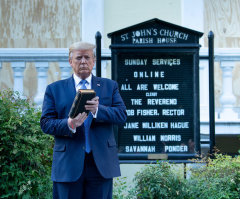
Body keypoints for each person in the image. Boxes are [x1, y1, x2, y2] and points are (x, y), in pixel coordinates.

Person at [40, 41, 127, 199]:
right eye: (79, 58)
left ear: (93, 60)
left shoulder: (109, 86)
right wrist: (69, 124)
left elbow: (121, 115)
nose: (83, 61)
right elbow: (46, 123)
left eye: (87, 57)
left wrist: (98, 110)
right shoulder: (54, 89)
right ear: (70, 61)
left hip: (101, 164)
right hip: (67, 164)